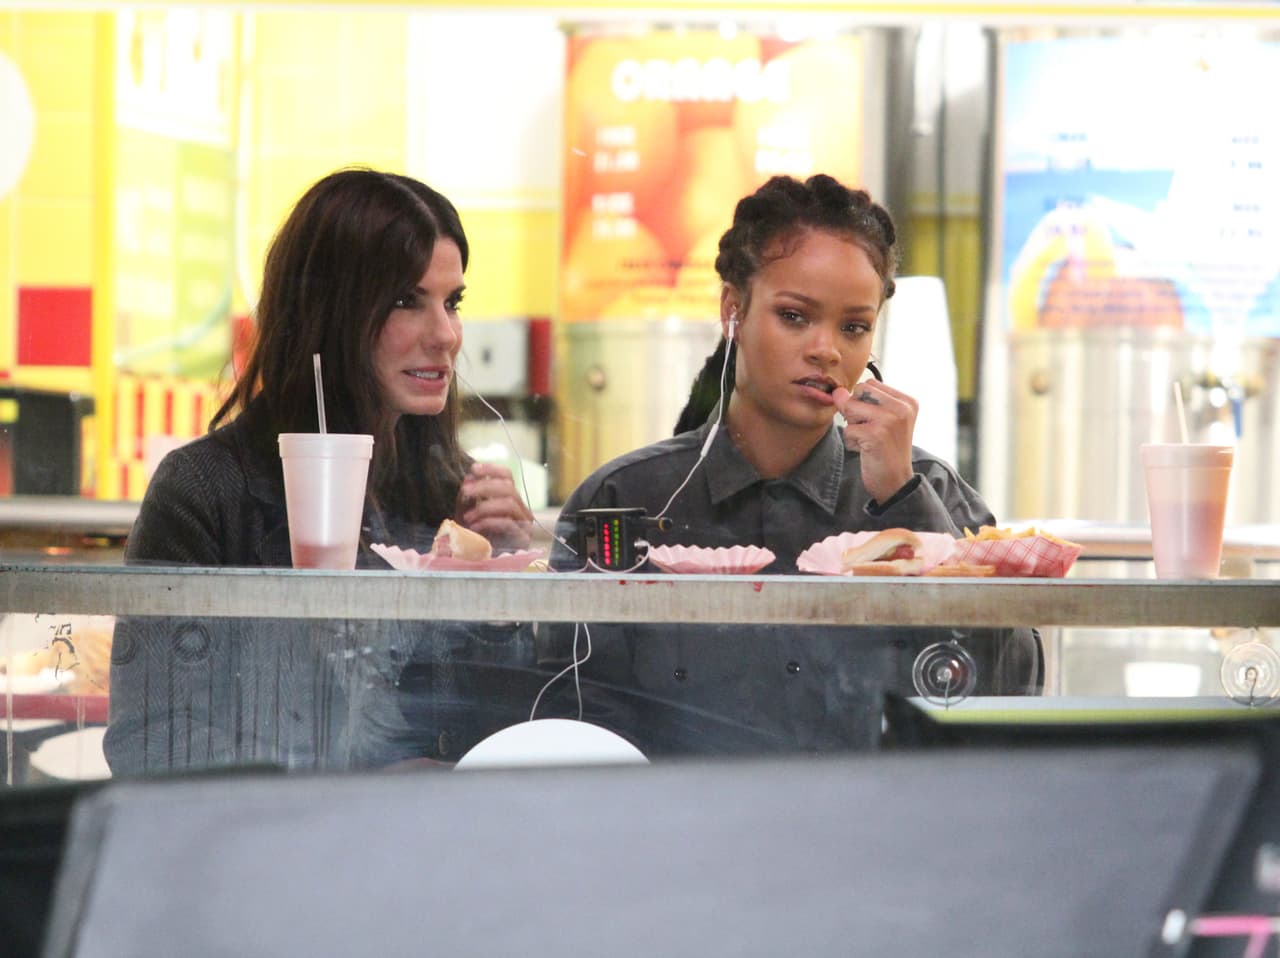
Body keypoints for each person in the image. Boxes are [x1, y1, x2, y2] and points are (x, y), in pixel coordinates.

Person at [547, 173, 1041, 756]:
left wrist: (905, 503)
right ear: (734, 309)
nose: (827, 349)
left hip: (871, 832)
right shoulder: (627, 498)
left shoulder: (928, 491)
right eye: (795, 316)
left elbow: (1013, 688)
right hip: (678, 835)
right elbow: (571, 714)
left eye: (854, 327)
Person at [105, 168, 538, 775]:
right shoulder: (208, 490)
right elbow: (152, 737)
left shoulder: (452, 494)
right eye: (405, 302)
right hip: (273, 852)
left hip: (431, 853)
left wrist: (507, 590)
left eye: (452, 302)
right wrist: (340, 802)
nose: (446, 335)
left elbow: (505, 731)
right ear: (331, 312)